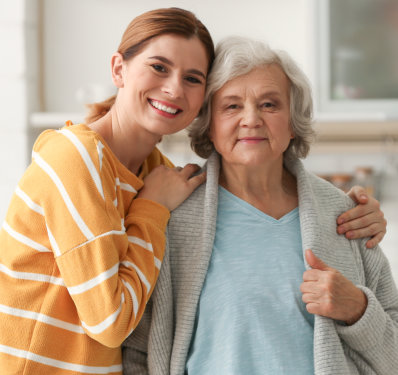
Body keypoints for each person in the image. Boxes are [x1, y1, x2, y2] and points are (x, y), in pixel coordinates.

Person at [122, 36, 398, 374]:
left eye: (269, 104)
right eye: (232, 106)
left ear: (293, 122)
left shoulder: (345, 215)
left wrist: (358, 309)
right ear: (208, 124)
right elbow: (136, 351)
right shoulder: (172, 215)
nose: (251, 119)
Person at [0, 8, 215, 374]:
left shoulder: (155, 172)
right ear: (119, 69)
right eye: (159, 67)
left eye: (193, 78)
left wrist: (345, 206)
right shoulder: (76, 158)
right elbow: (110, 322)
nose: (175, 88)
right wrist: (151, 207)